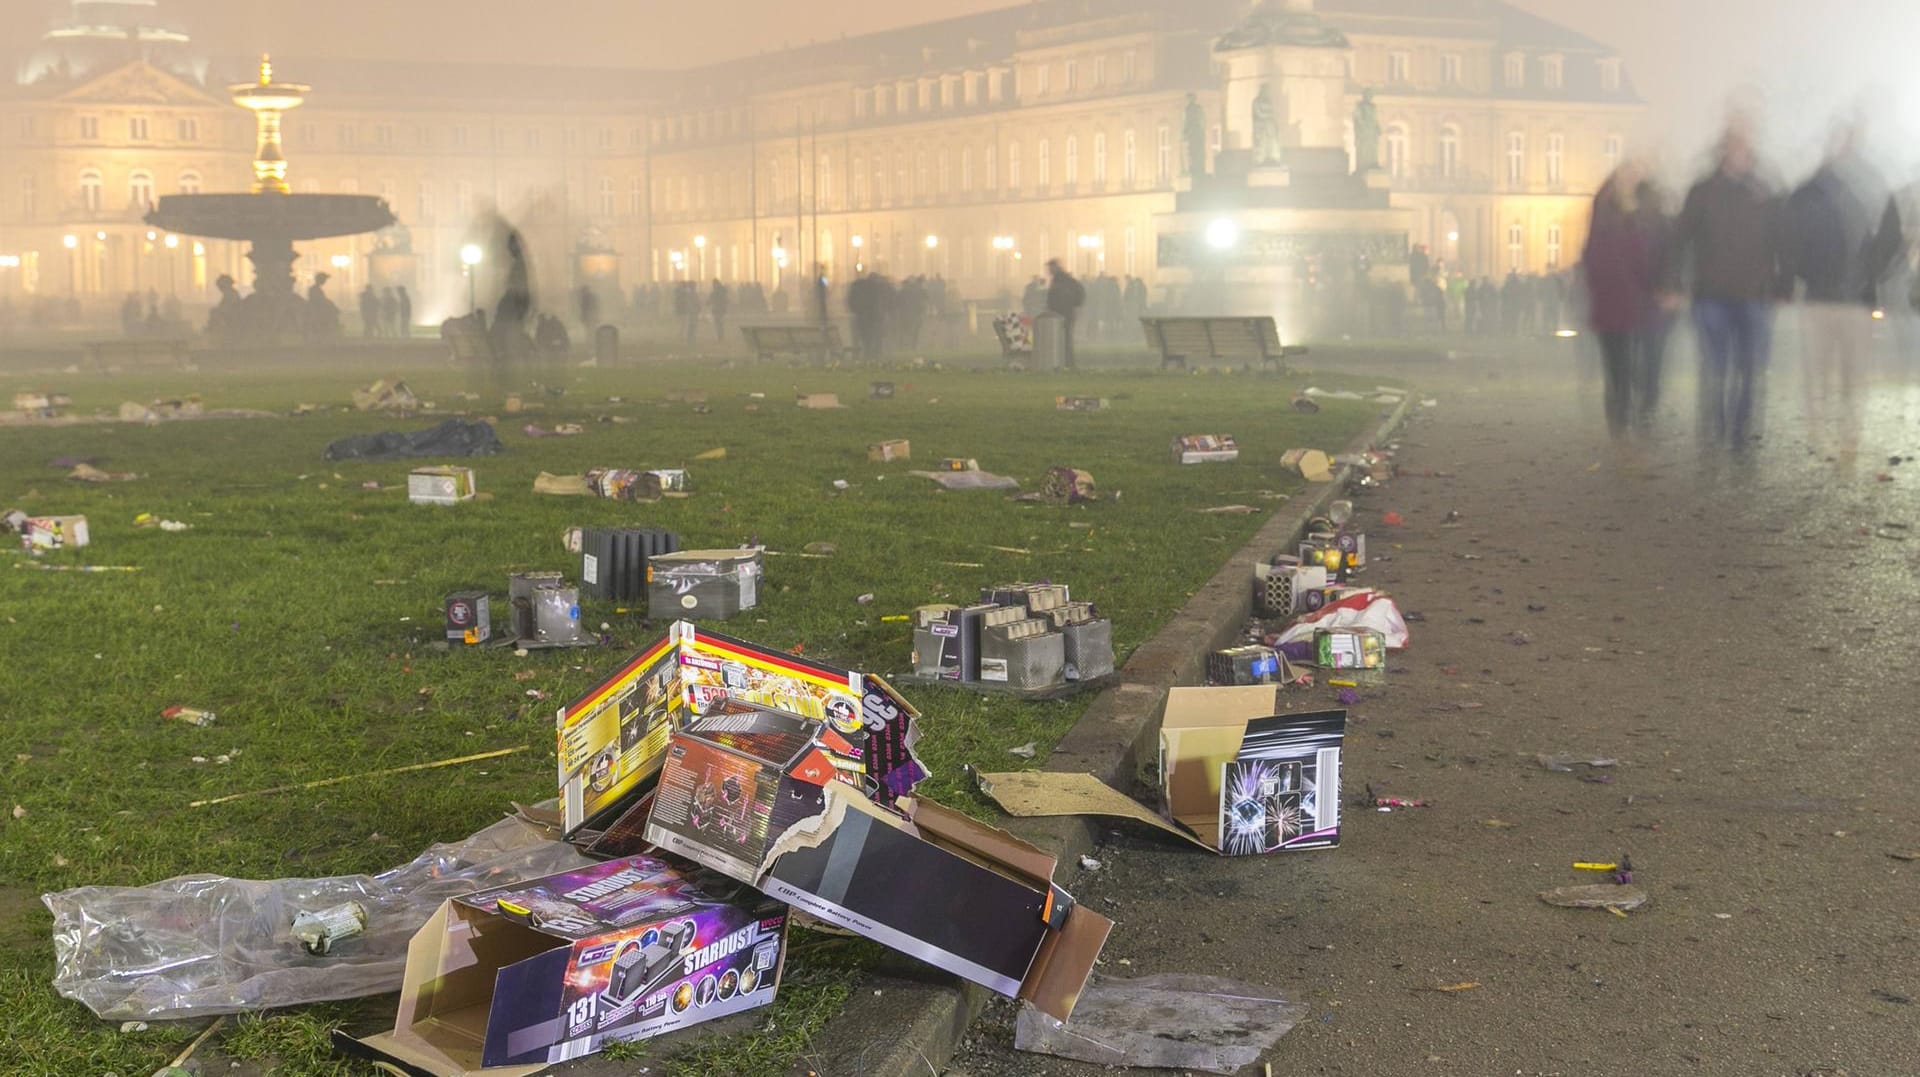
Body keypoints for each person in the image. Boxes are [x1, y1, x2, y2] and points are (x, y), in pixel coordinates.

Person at [1782, 124, 1898, 459]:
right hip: (1821, 297)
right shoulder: (1811, 190)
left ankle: (1847, 438)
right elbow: (1788, 235)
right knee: (1818, 373)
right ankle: (1821, 437)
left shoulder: (1873, 187)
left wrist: (1868, 272)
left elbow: (1890, 239)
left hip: (1856, 301)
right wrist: (1803, 271)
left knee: (1852, 374)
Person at [1673, 122, 1785, 452]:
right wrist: (1674, 281)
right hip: (1712, 295)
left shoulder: (1764, 192)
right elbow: (1681, 239)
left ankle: (1740, 433)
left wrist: (1782, 282)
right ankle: (1714, 428)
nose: (1740, 153)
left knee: (1749, 370)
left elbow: (1782, 239)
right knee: (1715, 368)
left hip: (1754, 294)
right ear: (1723, 151)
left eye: (1744, 147)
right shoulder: (1703, 191)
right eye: (1734, 147)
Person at [1583, 161, 1660, 444]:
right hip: (1614, 299)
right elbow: (1595, 255)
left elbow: (1645, 258)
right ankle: (1620, 419)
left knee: (1626, 363)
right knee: (1618, 364)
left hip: (1630, 301)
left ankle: (1624, 417)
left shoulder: (1637, 215)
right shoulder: (1610, 214)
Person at [1045, 258, 1086, 369]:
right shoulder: (1062, 279)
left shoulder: (1062, 280)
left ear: (1055, 267)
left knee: (1064, 339)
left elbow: (1077, 293)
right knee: (1063, 339)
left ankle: (1067, 363)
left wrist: (1072, 305)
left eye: (1050, 267)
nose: (1048, 270)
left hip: (1062, 314)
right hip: (1063, 313)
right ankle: (1066, 362)